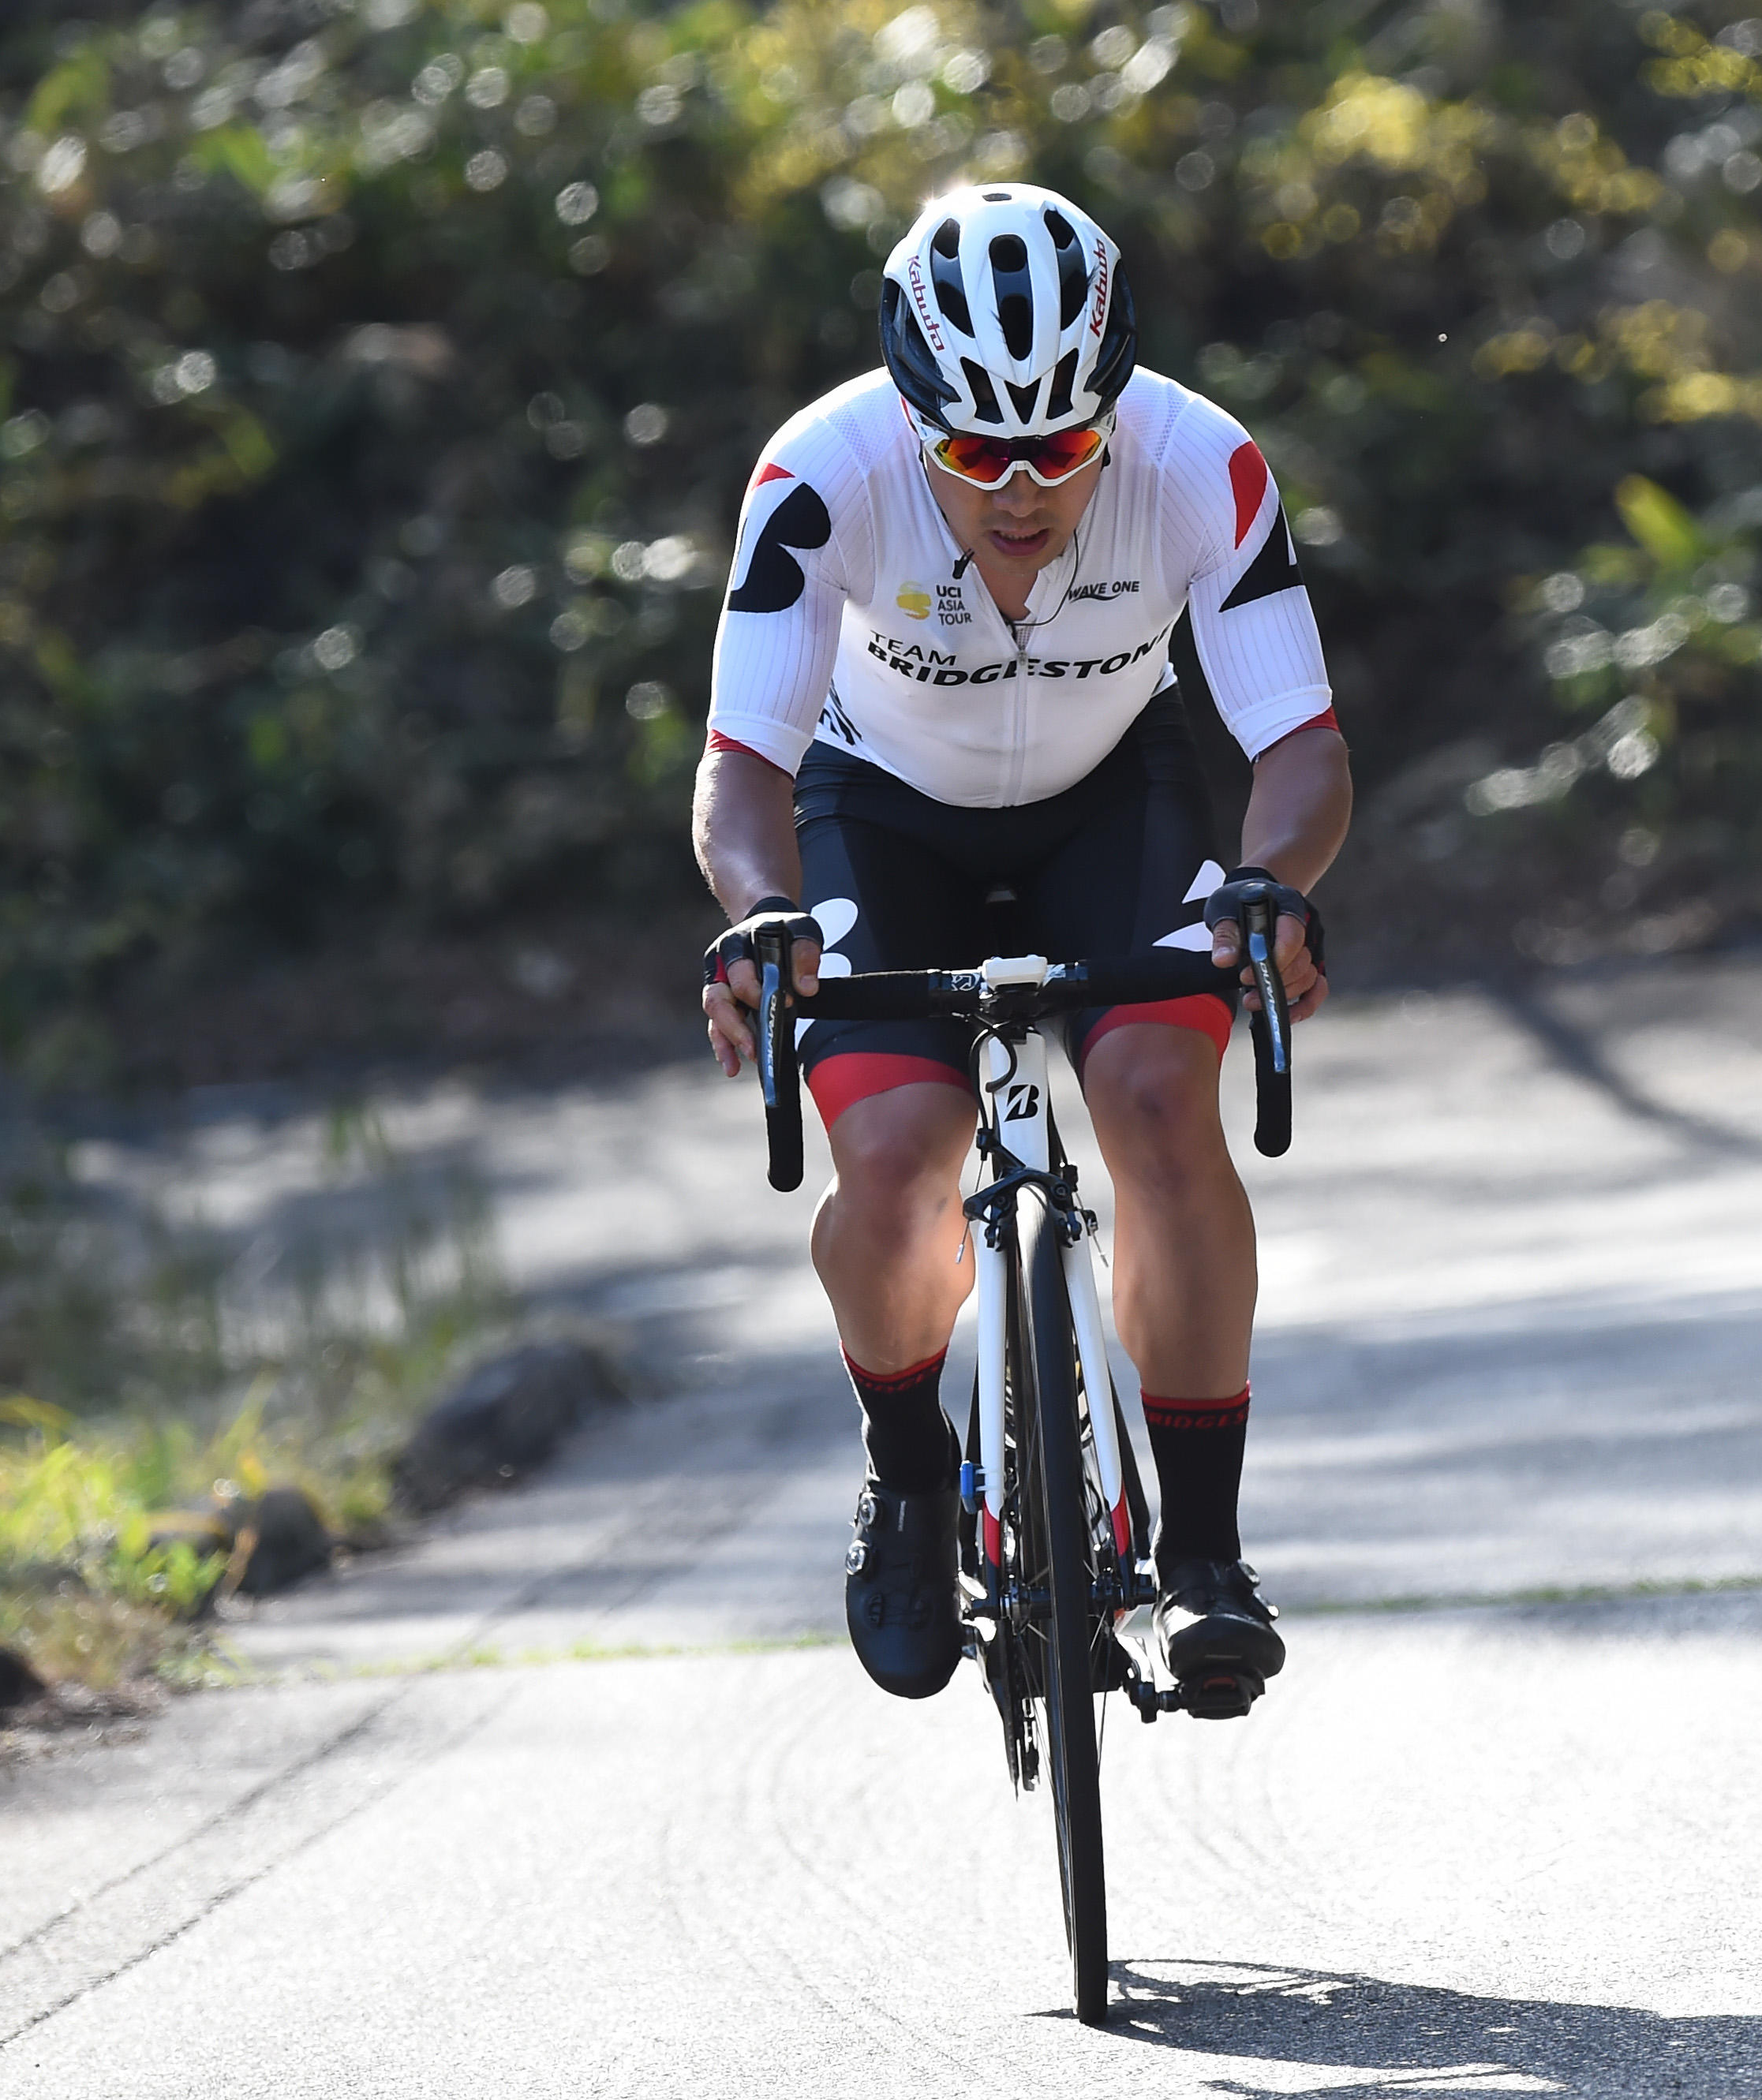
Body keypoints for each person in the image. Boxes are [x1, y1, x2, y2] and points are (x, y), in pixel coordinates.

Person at [691, 184, 1352, 1716]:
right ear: (909, 414)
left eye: (1059, 447)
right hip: (880, 818)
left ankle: (1201, 1551)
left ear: (1112, 414)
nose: (1018, 487)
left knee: (1155, 1104)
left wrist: (1271, 885)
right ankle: (910, 1479)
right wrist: (757, 916)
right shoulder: (820, 470)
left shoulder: (1201, 463)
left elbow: (1299, 743)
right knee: (900, 1154)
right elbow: (743, 765)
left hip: (1111, 804)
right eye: (975, 451)